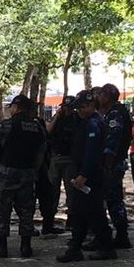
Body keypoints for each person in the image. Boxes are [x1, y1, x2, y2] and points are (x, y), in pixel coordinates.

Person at [0, 95, 46, 258]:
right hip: (27, 171)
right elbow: (41, 152)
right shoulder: (37, 127)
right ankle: (26, 246)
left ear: (17, 107)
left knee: (3, 208)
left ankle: (1, 246)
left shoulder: (7, 125)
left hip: (8, 170)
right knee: (26, 210)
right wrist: (34, 171)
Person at [56, 90, 115, 262]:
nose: (79, 111)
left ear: (90, 106)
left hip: (90, 176)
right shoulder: (87, 122)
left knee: (93, 212)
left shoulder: (93, 124)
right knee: (80, 212)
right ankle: (75, 247)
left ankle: (105, 246)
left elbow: (92, 153)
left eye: (82, 107)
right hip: (85, 173)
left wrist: (84, 174)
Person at [95, 83, 133, 249]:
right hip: (114, 162)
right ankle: (120, 234)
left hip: (112, 164)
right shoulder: (116, 112)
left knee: (111, 199)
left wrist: (107, 165)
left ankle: (116, 235)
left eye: (101, 95)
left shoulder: (115, 114)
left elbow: (113, 140)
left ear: (106, 97)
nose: (98, 98)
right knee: (114, 198)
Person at [43, 97, 77, 234]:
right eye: (65, 107)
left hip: (70, 159)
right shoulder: (58, 119)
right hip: (56, 158)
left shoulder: (76, 120)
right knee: (52, 192)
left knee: (72, 193)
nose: (67, 110)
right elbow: (48, 131)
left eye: (69, 107)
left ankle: (72, 221)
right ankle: (49, 223)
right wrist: (56, 116)